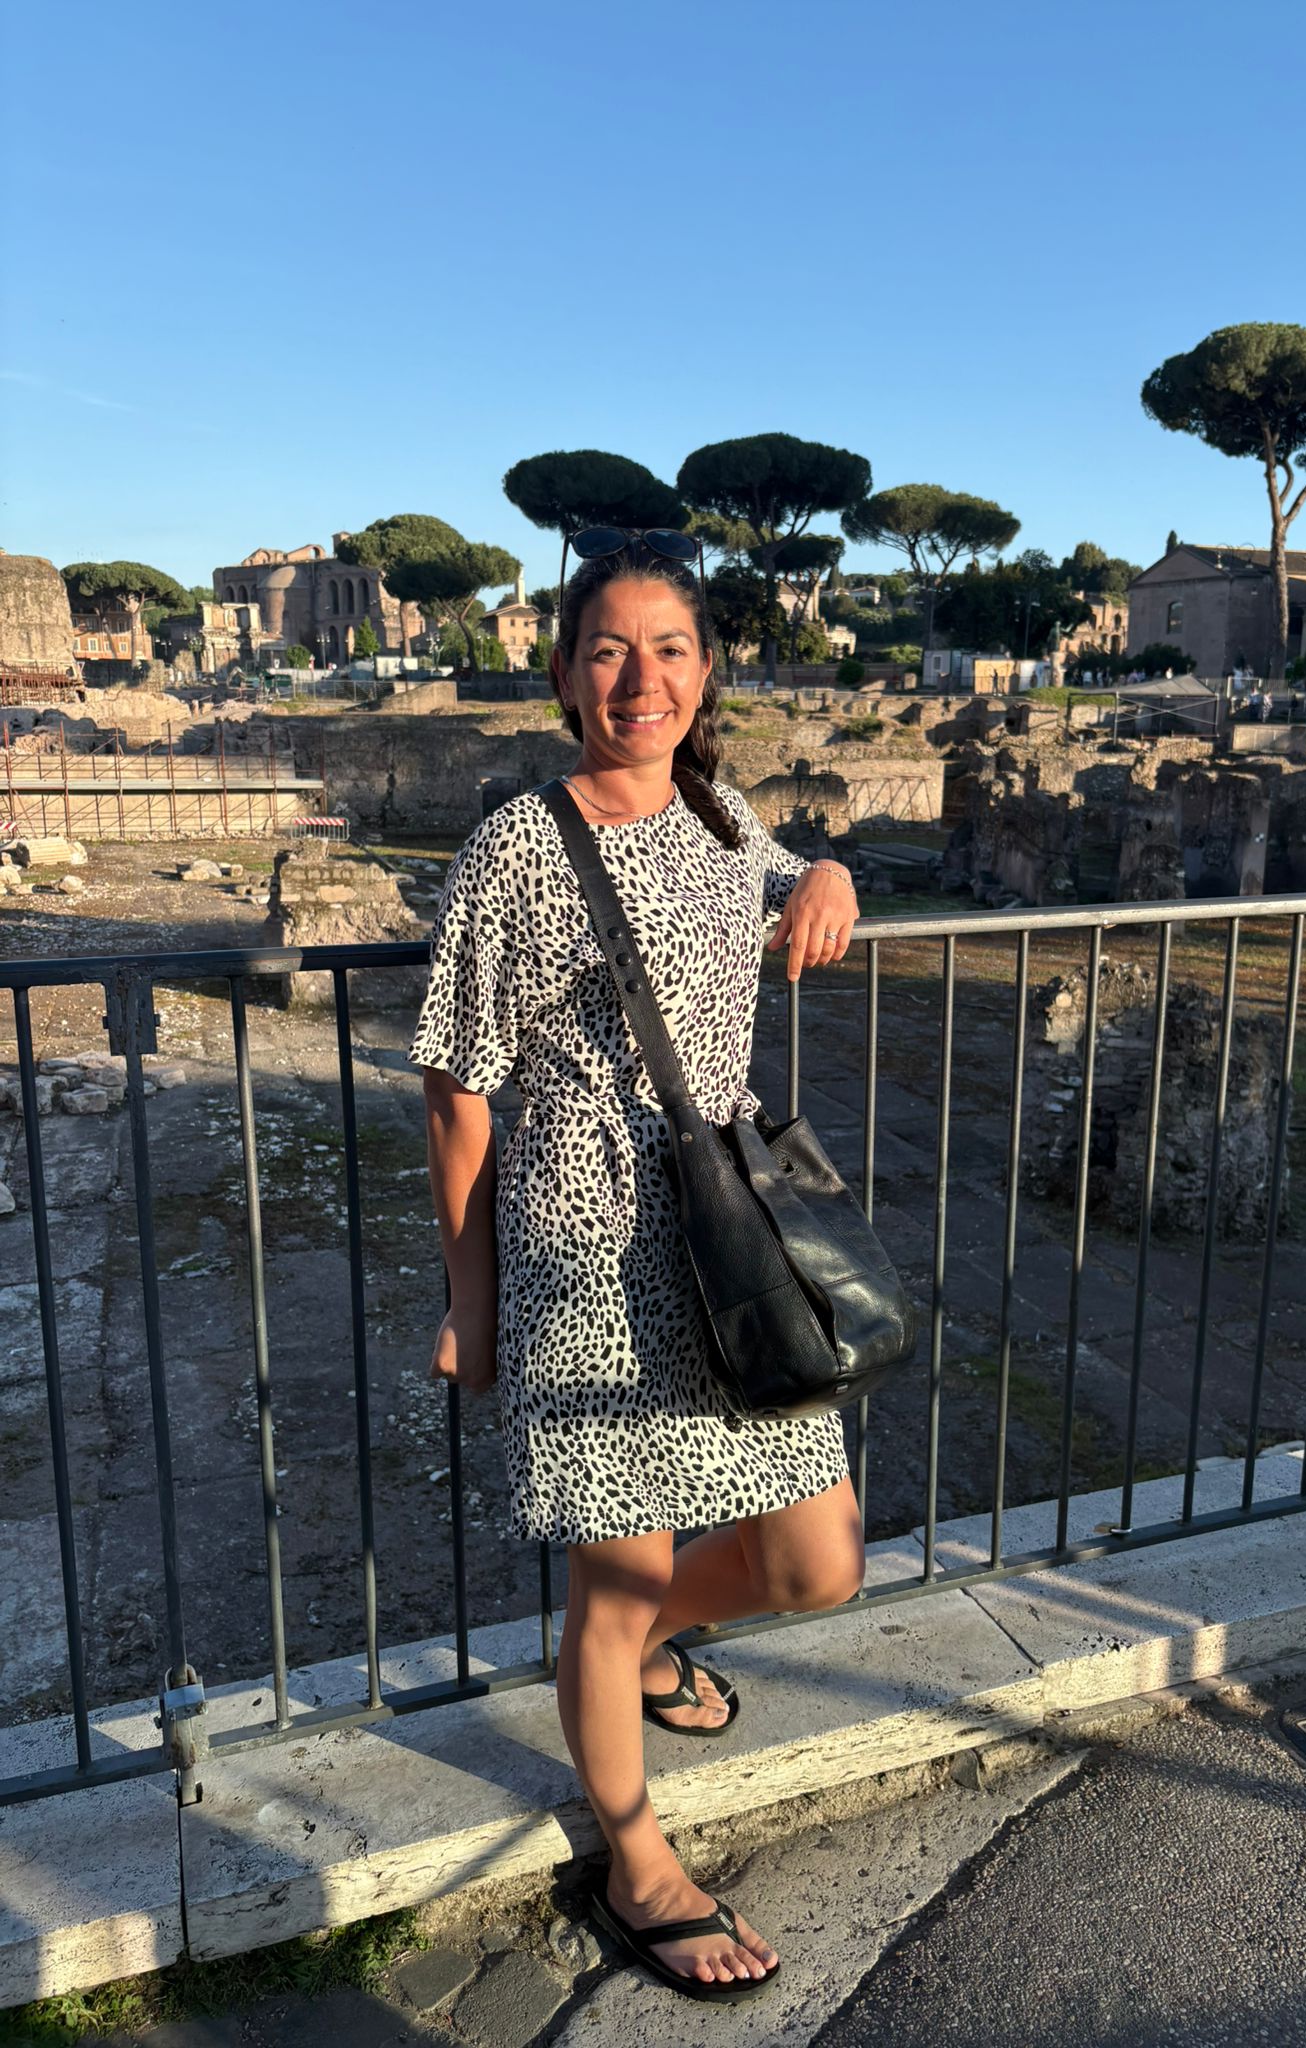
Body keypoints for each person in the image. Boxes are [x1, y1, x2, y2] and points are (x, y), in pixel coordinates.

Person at [408, 534, 862, 2006]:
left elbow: (794, 872)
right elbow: (458, 1088)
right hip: (586, 1253)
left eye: (669, 648)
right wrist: (473, 1309)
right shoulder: (521, 846)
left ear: (708, 670)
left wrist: (835, 869)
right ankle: (634, 1854)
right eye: (608, 647)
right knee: (617, 1575)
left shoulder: (725, 813)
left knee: (817, 1560)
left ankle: (649, 1638)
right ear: (563, 670)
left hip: (729, 1238)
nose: (639, 679)